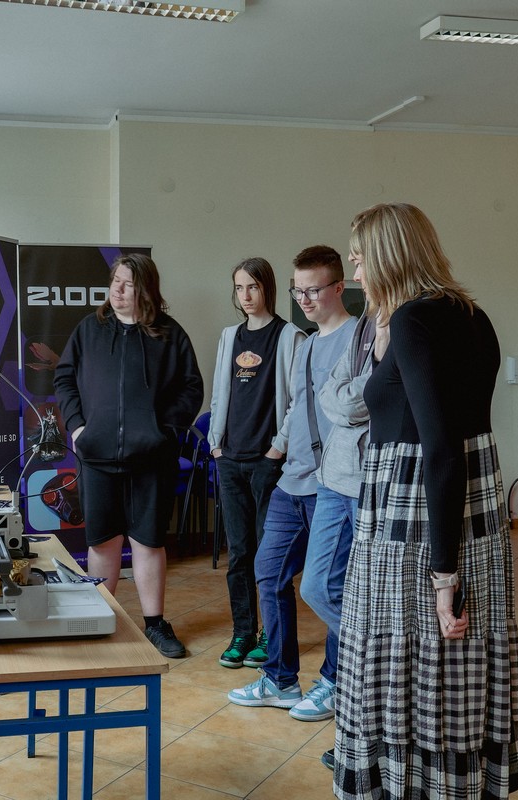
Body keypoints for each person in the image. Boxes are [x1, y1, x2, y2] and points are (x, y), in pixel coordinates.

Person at [330, 203, 518, 798]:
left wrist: (444, 576)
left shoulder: (414, 320)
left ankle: (408, 782)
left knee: (412, 655)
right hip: (472, 500)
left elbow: (438, 447)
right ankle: (453, 782)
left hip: (414, 511)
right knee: (457, 661)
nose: (356, 274)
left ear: (388, 257)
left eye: (360, 260)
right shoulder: (471, 315)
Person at [54, 253, 203, 658]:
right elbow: (64, 378)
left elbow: (191, 388)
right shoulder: (89, 329)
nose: (117, 290)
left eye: (128, 284)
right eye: (115, 281)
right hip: (97, 457)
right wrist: (78, 427)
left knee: (148, 542)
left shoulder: (169, 334)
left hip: (151, 460)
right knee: (103, 542)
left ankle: (155, 625)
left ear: (146, 290)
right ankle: (100, 618)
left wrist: (164, 431)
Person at [227, 245, 355, 712]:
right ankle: (280, 679)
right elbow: (297, 406)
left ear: (339, 287)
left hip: (332, 485)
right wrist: (279, 448)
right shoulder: (307, 343)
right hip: (291, 479)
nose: (303, 299)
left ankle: (336, 680)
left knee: (329, 587)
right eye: (298, 291)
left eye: (313, 290)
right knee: (268, 571)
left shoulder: (359, 338)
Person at [207, 257, 305, 668]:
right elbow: (219, 394)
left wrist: (277, 448)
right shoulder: (230, 337)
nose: (245, 296)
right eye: (239, 288)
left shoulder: (290, 336)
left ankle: (270, 635)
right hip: (230, 459)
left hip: (269, 463)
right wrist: (216, 444)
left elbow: (299, 401)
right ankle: (243, 633)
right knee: (239, 553)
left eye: (253, 287)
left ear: (267, 288)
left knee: (270, 556)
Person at [292, 295, 375, 722]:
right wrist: (344, 397)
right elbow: (332, 395)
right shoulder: (365, 328)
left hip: (369, 483)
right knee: (317, 588)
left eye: (361, 264)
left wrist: (344, 397)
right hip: (332, 476)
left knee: (366, 592)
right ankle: (374, 666)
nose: (359, 274)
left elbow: (361, 399)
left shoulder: (397, 326)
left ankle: (350, 680)